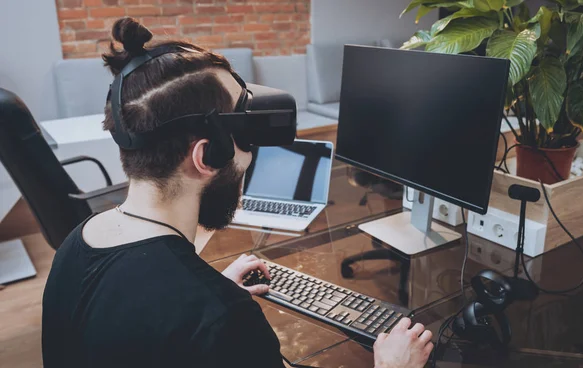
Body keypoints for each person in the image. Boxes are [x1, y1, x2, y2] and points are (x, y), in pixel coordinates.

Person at [42, 17, 434, 368]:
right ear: (205, 156)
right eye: (244, 130)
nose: (251, 153)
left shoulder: (77, 245)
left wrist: (207, 291)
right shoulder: (222, 319)